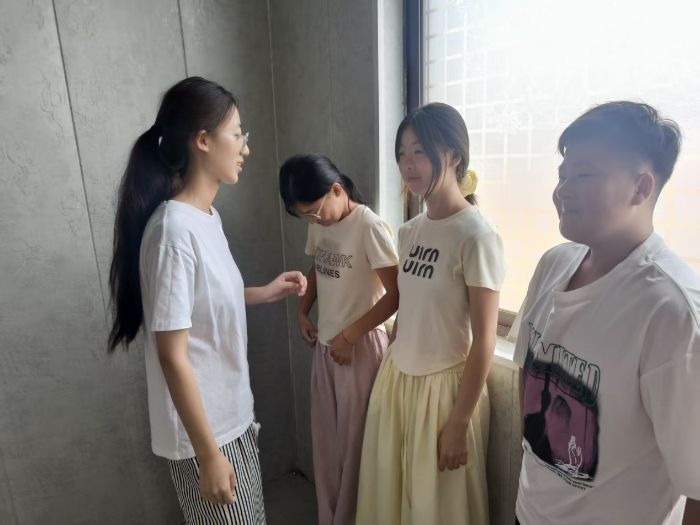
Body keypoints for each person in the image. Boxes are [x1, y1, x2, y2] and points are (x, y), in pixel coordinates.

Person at [108, 77, 306, 524]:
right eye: (237, 134)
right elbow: (172, 355)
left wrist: (266, 292)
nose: (245, 148)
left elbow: (202, 304)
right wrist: (209, 456)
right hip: (206, 435)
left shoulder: (205, 218)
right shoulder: (174, 231)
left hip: (233, 416)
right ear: (202, 140)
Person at [513, 101, 700, 524]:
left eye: (583, 175)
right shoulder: (553, 264)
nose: (562, 190)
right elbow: (528, 379)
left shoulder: (671, 312)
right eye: (563, 175)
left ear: (641, 188)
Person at [356, 102, 505, 524]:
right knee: (390, 498)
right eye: (402, 153)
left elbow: (485, 340)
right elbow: (409, 308)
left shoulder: (477, 235)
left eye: (420, 151)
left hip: (444, 393)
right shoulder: (408, 232)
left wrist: (459, 422)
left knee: (436, 508)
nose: (408, 164)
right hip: (397, 381)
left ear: (454, 155)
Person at [279, 153, 399, 524]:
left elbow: (397, 295)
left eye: (314, 212)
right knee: (327, 447)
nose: (313, 221)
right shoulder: (321, 222)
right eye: (305, 217)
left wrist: (350, 336)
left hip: (360, 349)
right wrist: (303, 311)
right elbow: (319, 266)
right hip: (328, 347)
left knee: (357, 449)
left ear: (336, 189)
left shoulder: (369, 226)